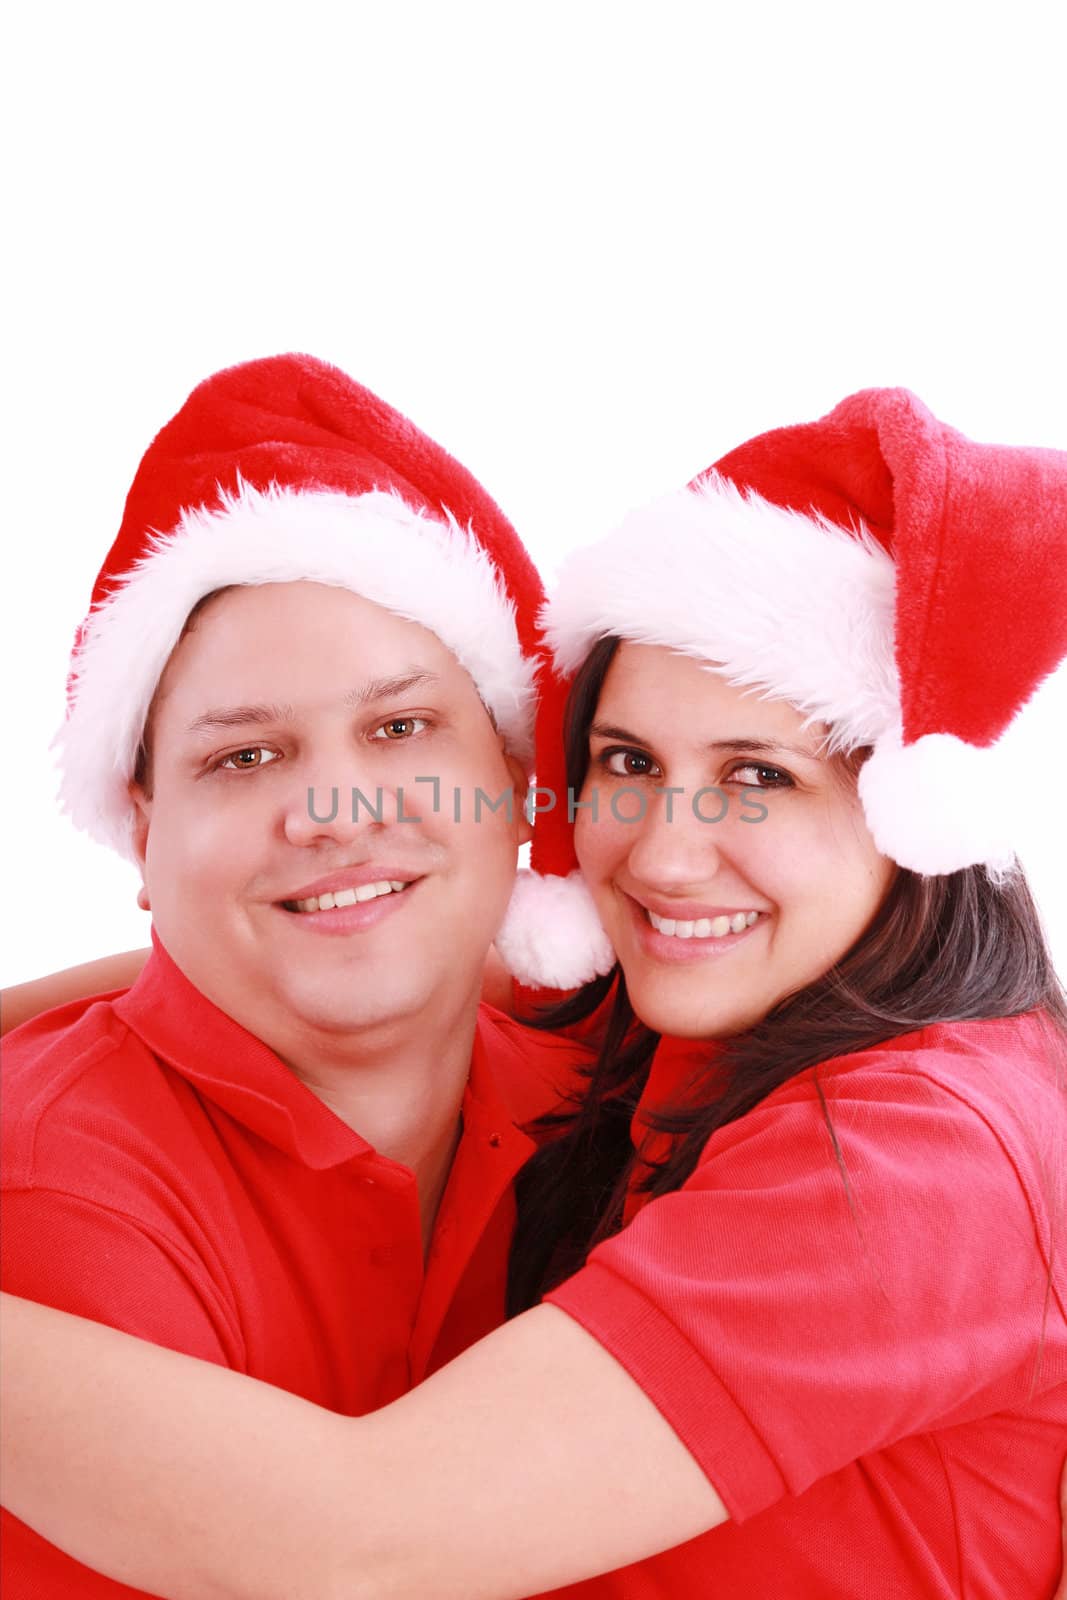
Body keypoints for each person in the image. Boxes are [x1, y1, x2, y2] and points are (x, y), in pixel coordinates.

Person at [3, 386, 1066, 1597]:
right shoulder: (664, 1015)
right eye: (626, 762)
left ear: (907, 817)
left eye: (758, 777)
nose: (665, 856)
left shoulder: (910, 1159)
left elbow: (359, 1543)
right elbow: (391, 926)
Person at [0, 352, 596, 1597]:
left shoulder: (617, 1087)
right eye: (245, 756)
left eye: (398, 729)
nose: (334, 810)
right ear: (144, 835)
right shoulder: (54, 1187)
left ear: (513, 787)